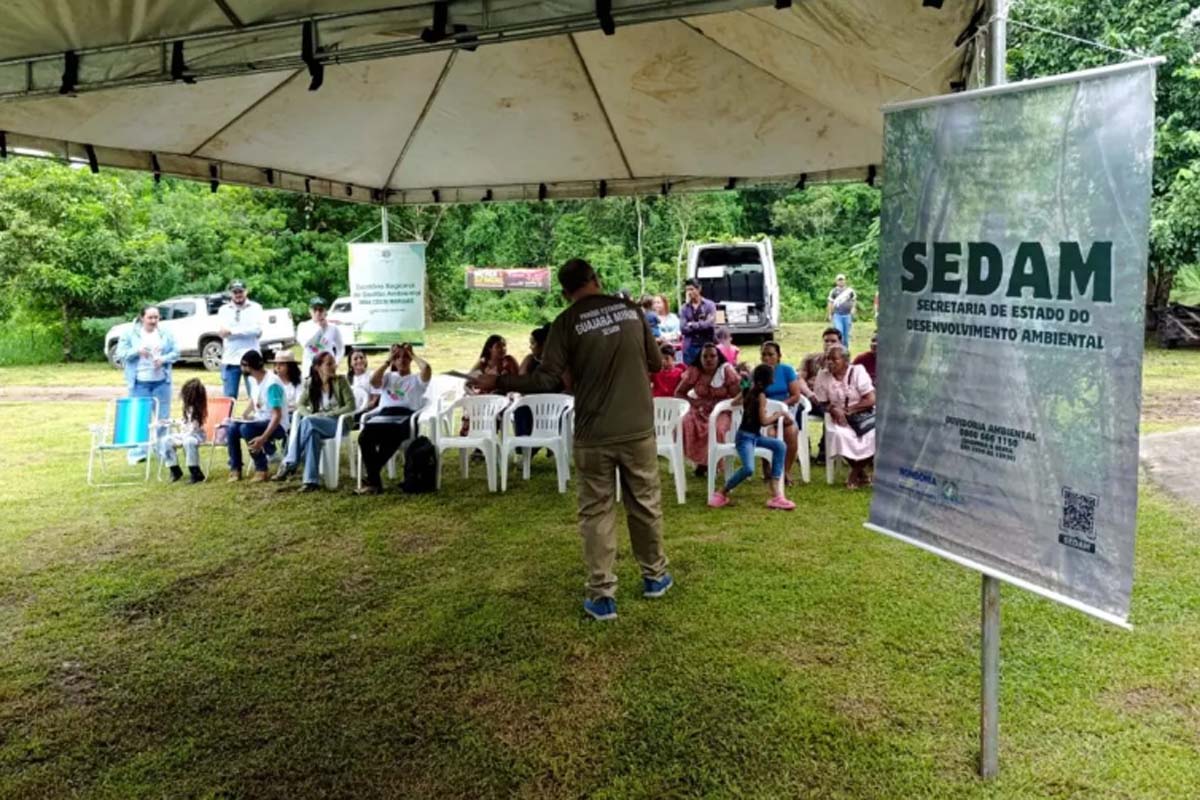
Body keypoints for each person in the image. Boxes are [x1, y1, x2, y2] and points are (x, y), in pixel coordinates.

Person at [469, 258, 672, 622]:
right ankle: (655, 577)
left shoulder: (566, 323)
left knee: (596, 512)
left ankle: (602, 595)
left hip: (593, 433)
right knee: (645, 503)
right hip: (638, 428)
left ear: (565, 292)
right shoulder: (629, 310)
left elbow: (546, 380)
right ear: (597, 278)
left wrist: (498, 382)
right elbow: (657, 364)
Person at [708, 364, 796, 510]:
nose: (773, 381)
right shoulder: (761, 396)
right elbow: (763, 421)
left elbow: (734, 402)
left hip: (755, 436)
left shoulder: (748, 390)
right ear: (767, 381)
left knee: (780, 446)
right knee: (748, 468)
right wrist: (778, 414)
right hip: (744, 438)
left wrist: (746, 401)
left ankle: (776, 492)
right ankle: (722, 492)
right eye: (772, 378)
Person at [356, 343, 432, 495]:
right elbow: (373, 381)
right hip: (384, 416)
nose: (401, 360)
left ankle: (372, 480)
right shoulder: (388, 377)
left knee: (391, 437)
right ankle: (374, 482)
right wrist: (388, 360)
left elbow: (426, 369)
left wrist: (413, 354)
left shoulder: (416, 379)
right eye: (398, 358)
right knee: (364, 437)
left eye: (405, 358)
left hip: (406, 418)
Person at [114, 305, 180, 461]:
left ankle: (163, 451)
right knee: (139, 418)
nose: (153, 321)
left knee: (163, 419)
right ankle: (138, 454)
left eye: (156, 317)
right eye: (150, 317)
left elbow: (176, 352)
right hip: (139, 383)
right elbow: (120, 354)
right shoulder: (130, 333)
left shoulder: (165, 333)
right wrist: (137, 351)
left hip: (161, 382)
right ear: (142, 317)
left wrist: (163, 359)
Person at [285, 351, 357, 492]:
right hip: (316, 424)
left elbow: (350, 406)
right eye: (329, 364)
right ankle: (311, 481)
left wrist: (327, 414)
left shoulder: (340, 381)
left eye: (333, 363)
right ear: (318, 367)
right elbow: (299, 405)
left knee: (308, 422)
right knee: (312, 434)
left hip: (338, 424)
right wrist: (311, 415)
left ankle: (291, 461)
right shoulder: (311, 383)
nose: (333, 366)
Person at [814, 344, 876, 489]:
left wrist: (848, 410)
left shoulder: (857, 371)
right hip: (838, 418)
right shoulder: (823, 375)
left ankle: (854, 474)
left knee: (876, 435)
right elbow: (821, 403)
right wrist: (833, 409)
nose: (829, 362)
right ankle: (862, 475)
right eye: (828, 358)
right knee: (839, 435)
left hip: (863, 415)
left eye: (834, 359)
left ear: (846, 361)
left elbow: (871, 399)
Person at [675, 342, 740, 477]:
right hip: (699, 409)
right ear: (700, 358)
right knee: (684, 423)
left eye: (712, 356)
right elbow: (679, 393)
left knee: (717, 429)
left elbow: (737, 397)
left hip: (722, 410)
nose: (709, 359)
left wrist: (720, 406)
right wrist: (695, 402)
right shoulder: (694, 371)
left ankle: (713, 463)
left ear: (718, 357)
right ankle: (701, 462)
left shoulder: (726, 371)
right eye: (705, 356)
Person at [226, 350, 289, 482]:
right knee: (232, 427)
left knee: (246, 429)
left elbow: (277, 416)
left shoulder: (272, 383)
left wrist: (263, 438)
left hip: (277, 425)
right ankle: (235, 468)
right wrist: (244, 415)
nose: (241, 368)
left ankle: (261, 468)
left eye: (242, 365)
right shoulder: (253, 380)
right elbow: (254, 400)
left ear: (248, 366)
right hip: (259, 420)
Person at [759, 341, 811, 482]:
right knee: (770, 434)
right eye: (763, 354)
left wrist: (781, 406)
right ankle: (769, 470)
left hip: (785, 411)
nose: (766, 358)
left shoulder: (786, 370)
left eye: (770, 354)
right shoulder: (758, 373)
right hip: (765, 414)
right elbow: (754, 395)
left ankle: (785, 471)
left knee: (791, 432)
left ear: (779, 356)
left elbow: (796, 395)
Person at [217, 280, 263, 400]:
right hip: (231, 359)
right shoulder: (223, 310)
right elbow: (222, 332)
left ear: (246, 291)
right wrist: (245, 331)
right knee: (229, 399)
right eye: (235, 292)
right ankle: (228, 419)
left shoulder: (256, 308)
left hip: (251, 360)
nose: (238, 294)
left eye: (240, 291)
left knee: (255, 396)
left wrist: (232, 331)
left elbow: (257, 330)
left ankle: (256, 418)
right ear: (230, 293)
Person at [157, 378, 208, 483]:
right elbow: (184, 421)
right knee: (165, 440)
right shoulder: (187, 408)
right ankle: (174, 469)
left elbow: (193, 428)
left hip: (196, 436)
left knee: (188, 441)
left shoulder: (198, 410)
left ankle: (195, 472)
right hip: (185, 434)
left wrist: (181, 439)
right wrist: (170, 421)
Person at [296, 296, 344, 373]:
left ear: (325, 311)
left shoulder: (333, 328)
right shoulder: (303, 326)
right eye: (315, 310)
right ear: (310, 311)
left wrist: (336, 362)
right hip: (309, 369)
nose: (318, 313)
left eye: (320, 310)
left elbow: (341, 348)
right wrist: (320, 328)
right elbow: (305, 343)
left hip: (327, 368)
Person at [680, 278, 717, 365]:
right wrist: (702, 324)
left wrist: (692, 324)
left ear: (699, 289)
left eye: (692, 289)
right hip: (690, 346)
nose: (689, 292)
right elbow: (683, 328)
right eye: (687, 290)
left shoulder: (709, 305)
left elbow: (710, 324)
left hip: (707, 345)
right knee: (691, 372)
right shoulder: (684, 308)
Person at [826, 273, 857, 350]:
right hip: (837, 315)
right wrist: (830, 314)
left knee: (846, 336)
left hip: (847, 315)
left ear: (845, 281)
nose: (841, 281)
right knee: (839, 333)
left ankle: (845, 352)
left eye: (842, 280)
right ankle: (839, 350)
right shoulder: (833, 291)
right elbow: (830, 302)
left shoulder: (850, 291)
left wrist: (853, 308)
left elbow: (854, 300)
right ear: (836, 281)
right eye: (839, 280)